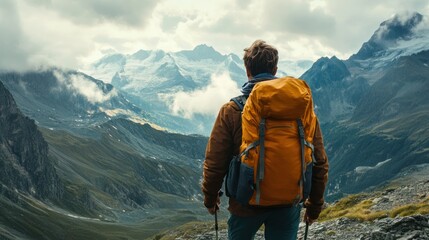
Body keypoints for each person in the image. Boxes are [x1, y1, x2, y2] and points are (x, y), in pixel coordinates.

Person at [201, 40, 329, 240]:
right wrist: (314, 206)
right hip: (288, 202)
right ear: (275, 69)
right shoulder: (301, 111)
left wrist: (210, 198)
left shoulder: (232, 110)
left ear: (247, 70)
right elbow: (319, 161)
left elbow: (215, 162)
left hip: (245, 203)